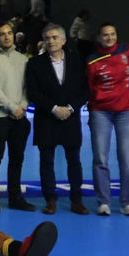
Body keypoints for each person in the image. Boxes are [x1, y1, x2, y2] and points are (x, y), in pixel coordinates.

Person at [25, 23, 89, 215]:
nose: (51, 41)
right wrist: (53, 109)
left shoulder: (77, 61)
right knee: (46, 162)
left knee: (74, 161)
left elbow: (85, 90)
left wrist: (69, 108)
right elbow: (33, 92)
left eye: (54, 37)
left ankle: (76, 200)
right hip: (46, 118)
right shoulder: (35, 63)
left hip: (70, 117)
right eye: (47, 38)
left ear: (63, 40)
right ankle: (50, 200)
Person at [0, 21, 34, 214]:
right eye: (2, 34)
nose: (6, 37)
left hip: (20, 116)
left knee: (16, 159)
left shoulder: (23, 59)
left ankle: (15, 198)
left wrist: (23, 106)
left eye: (9, 33)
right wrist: (12, 107)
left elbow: (28, 87)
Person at [85, 22, 129, 216]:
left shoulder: (127, 51)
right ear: (99, 37)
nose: (109, 38)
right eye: (105, 35)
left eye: (112, 34)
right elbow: (90, 86)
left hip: (126, 112)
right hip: (100, 113)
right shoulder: (92, 60)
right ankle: (103, 201)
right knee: (100, 158)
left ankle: (128, 201)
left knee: (127, 158)